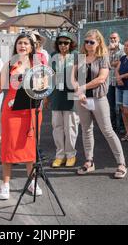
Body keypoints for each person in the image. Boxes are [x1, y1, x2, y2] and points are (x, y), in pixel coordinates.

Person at [0, 33, 45, 200]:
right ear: (16, 46)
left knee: (30, 147)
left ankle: (32, 181)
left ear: (31, 47)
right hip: (11, 112)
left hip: (31, 111)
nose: (22, 46)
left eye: (26, 43)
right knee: (9, 146)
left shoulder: (38, 64)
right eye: (20, 43)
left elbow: (44, 87)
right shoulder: (9, 64)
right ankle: (5, 184)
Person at [72, 29, 127, 179]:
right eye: (86, 41)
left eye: (92, 42)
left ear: (98, 43)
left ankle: (121, 163)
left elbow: (101, 79)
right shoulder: (80, 57)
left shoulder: (103, 57)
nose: (88, 44)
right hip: (82, 99)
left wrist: (82, 88)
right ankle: (89, 162)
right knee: (86, 129)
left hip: (98, 99)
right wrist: (79, 91)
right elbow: (72, 77)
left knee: (107, 131)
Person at [47, 31, 79, 168]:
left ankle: (71, 154)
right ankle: (60, 155)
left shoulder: (77, 56)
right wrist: (47, 96)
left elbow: (81, 78)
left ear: (71, 43)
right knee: (57, 127)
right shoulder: (53, 56)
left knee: (70, 127)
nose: (63, 45)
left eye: (66, 42)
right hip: (56, 96)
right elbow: (49, 77)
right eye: (60, 42)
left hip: (71, 96)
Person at [107, 32, 124, 132]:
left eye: (114, 38)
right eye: (111, 38)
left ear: (119, 38)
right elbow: (104, 62)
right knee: (111, 105)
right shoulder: (107, 49)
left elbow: (122, 62)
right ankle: (112, 126)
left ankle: (121, 127)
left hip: (119, 81)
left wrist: (111, 63)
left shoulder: (123, 49)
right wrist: (109, 51)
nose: (113, 40)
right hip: (110, 82)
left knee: (121, 105)